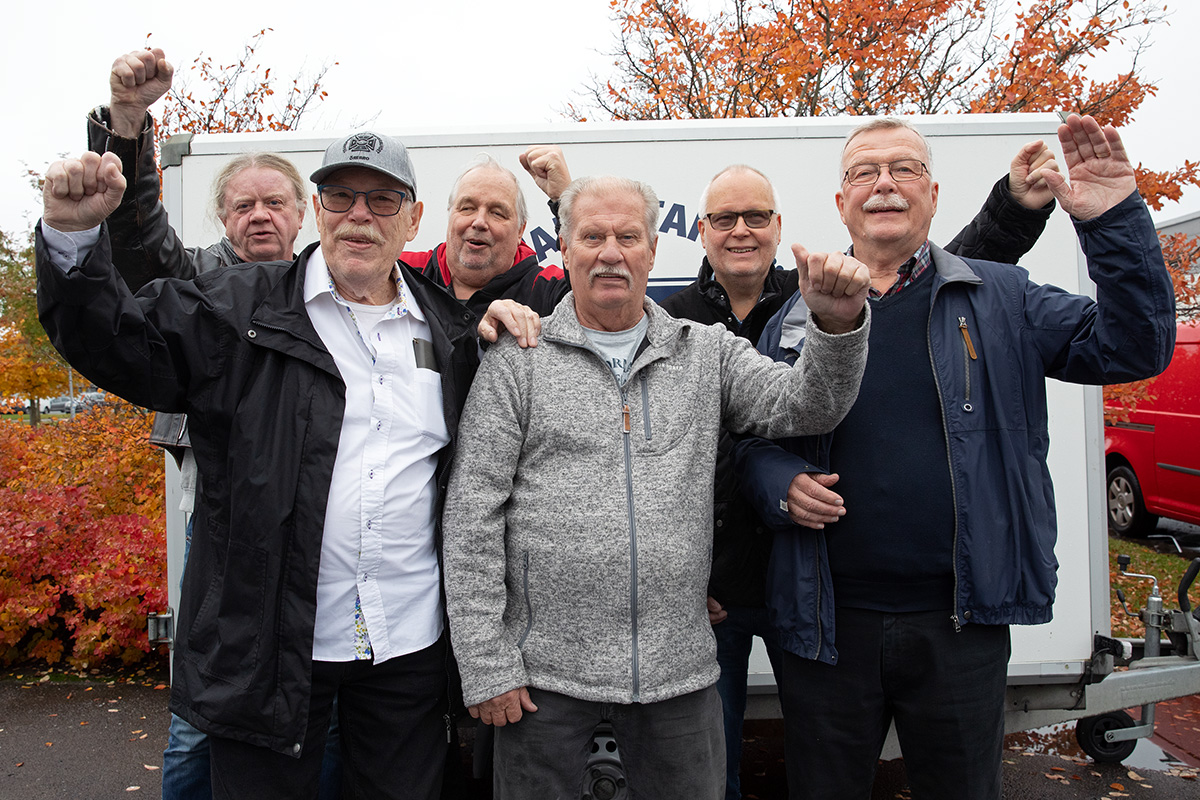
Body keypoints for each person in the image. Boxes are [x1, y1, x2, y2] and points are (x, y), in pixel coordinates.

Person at [37, 132, 539, 799]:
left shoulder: (448, 332)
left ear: (413, 220)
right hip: (269, 649)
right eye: (340, 196)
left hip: (406, 648)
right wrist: (72, 241)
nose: (359, 215)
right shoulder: (240, 309)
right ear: (318, 207)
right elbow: (118, 344)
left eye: (382, 199)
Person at [734, 114, 1176, 800]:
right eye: (864, 171)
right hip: (824, 627)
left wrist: (1113, 221)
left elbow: (1134, 348)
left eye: (904, 169)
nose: (884, 183)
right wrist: (778, 480)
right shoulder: (795, 315)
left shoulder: (1002, 297)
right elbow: (752, 440)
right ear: (841, 201)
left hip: (959, 626)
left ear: (933, 196)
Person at [441, 173, 871, 799]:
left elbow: (805, 408)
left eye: (627, 236)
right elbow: (471, 516)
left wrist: (836, 328)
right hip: (542, 687)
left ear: (652, 250)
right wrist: (485, 665)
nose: (610, 252)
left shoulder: (707, 352)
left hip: (679, 683)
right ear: (565, 248)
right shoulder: (518, 360)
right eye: (592, 236)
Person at [657, 147, 1059, 800]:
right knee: (712, 775)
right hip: (719, 589)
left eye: (755, 215)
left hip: (808, 595)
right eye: (724, 217)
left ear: (779, 226)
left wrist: (1011, 209)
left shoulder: (817, 294)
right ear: (701, 230)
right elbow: (660, 454)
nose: (740, 230)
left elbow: (927, 275)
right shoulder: (673, 320)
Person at [87, 48, 337, 800]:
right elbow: (136, 236)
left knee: (311, 710)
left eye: (275, 202)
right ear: (224, 219)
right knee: (205, 717)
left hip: (319, 536)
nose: (260, 214)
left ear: (301, 214)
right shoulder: (198, 280)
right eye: (242, 204)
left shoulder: (333, 295)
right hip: (229, 533)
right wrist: (127, 126)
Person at [401, 148, 574, 319]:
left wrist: (566, 201)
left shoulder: (549, 288)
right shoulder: (402, 271)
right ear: (450, 215)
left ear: (520, 230)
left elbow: (595, 305)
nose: (479, 222)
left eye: (497, 213)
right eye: (467, 208)